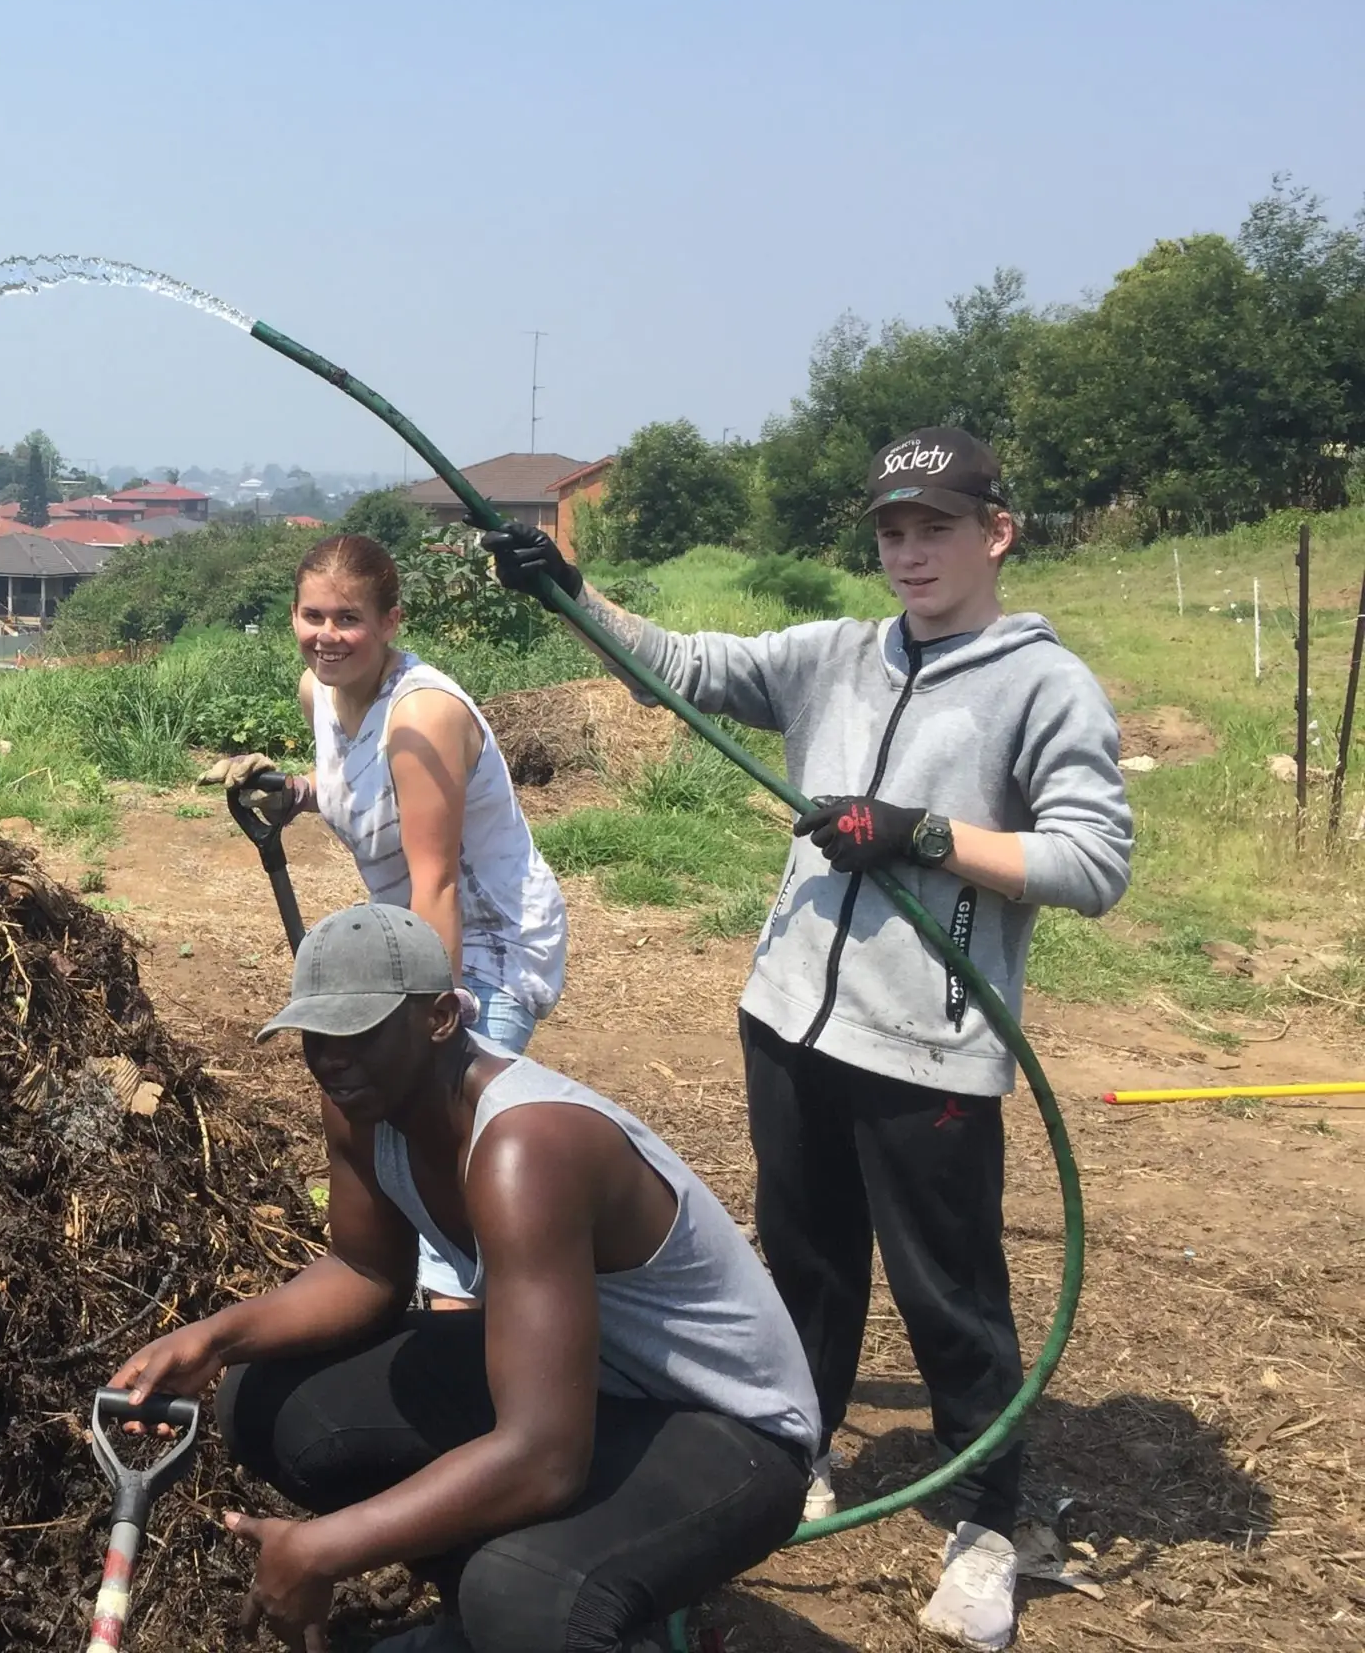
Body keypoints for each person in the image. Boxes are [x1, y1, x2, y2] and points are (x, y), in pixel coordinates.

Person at [485, 429, 1132, 1650]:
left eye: (935, 527)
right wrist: (570, 596)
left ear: (996, 532)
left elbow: (1091, 863)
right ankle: (795, 1453)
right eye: (891, 531)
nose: (909, 552)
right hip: (789, 1019)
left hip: (929, 1051)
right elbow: (675, 666)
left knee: (950, 1295)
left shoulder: (1045, 686)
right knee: (806, 1266)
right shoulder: (831, 657)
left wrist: (923, 835)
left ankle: (992, 1521)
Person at [112, 903, 817, 1653]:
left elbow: (545, 1458)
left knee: (522, 1593)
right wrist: (217, 1338)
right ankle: (484, 1601)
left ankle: (559, 1604)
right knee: (262, 1396)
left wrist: (325, 1548)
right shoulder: (361, 1101)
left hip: (726, 1430)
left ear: (442, 1017)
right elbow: (365, 1271)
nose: (331, 1058)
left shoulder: (527, 1147)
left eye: (359, 1033)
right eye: (316, 1036)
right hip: (583, 1387)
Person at [203, 533, 567, 1306]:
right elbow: (350, 787)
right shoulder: (320, 693)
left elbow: (435, 877)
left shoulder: (422, 716)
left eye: (349, 619)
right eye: (312, 616)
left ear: (390, 621)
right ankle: (422, 1288)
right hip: (404, 938)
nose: (326, 636)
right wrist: (294, 791)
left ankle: (469, 1311)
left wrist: (434, 1016)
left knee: (450, 1137)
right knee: (394, 1122)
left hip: (482, 941)